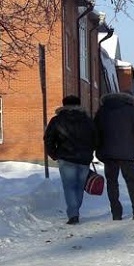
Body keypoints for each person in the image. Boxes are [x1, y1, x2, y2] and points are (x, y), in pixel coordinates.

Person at [43, 95, 96, 225]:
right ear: (79, 104)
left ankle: (73, 214)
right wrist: (90, 151)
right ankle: (75, 209)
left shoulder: (57, 120)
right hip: (84, 158)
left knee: (69, 186)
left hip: (65, 158)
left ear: (64, 105)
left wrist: (54, 154)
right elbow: (96, 138)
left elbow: (48, 139)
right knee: (79, 185)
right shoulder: (87, 120)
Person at [94, 92, 134, 221]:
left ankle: (116, 213)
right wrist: (129, 138)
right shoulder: (132, 110)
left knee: (112, 182)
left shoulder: (103, 110)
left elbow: (96, 129)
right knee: (131, 181)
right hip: (127, 152)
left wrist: (101, 144)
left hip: (108, 152)